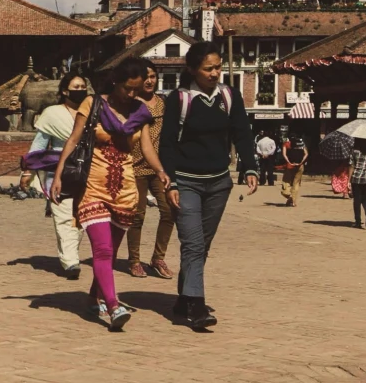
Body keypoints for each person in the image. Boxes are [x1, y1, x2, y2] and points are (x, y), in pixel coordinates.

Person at [160, 44, 251, 331]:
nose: (214, 73)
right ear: (192, 70)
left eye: (218, 67)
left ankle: (183, 297)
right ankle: (197, 307)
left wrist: (249, 166)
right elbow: (167, 143)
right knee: (194, 243)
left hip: (218, 182)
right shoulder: (178, 99)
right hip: (185, 181)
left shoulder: (229, 96)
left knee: (202, 245)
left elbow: (242, 132)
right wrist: (171, 181)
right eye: (208, 69)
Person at [61, 70, 152, 331]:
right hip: (93, 186)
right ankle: (113, 306)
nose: (133, 94)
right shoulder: (93, 104)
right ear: (116, 83)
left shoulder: (140, 112)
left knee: (109, 253)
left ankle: (93, 296)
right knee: (102, 250)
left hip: (124, 189)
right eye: (129, 89)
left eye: (138, 90)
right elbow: (74, 139)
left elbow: (146, 149)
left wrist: (162, 172)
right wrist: (57, 175)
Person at [27, 73, 94, 279]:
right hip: (59, 168)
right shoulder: (52, 113)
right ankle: (70, 261)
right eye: (76, 86)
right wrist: (27, 170)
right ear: (65, 91)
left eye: (83, 85)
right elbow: (39, 143)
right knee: (63, 214)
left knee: (81, 216)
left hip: (88, 169)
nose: (80, 89)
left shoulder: (93, 110)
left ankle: (71, 251)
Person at [116, 63, 178, 281]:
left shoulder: (164, 103)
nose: (150, 81)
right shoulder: (131, 105)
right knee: (137, 216)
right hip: (135, 167)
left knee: (170, 210)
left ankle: (158, 258)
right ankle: (134, 260)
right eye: (146, 77)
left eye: (153, 76)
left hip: (160, 168)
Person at [249, 131, 277, 196]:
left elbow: (257, 149)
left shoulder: (260, 141)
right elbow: (274, 148)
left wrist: (261, 154)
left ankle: (262, 181)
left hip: (262, 156)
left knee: (262, 169)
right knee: (270, 170)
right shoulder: (271, 141)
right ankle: (270, 182)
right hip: (269, 156)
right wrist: (268, 154)